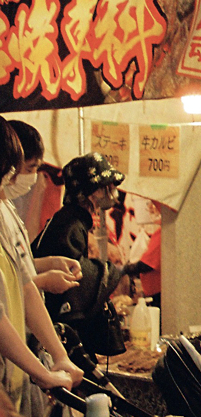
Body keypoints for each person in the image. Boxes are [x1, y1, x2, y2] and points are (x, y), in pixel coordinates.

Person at [0, 119, 76, 415]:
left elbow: (24, 283)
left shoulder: (5, 209)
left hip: (14, 377)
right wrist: (43, 373)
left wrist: (59, 356)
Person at [33, 153, 127, 357]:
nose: (112, 192)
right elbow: (73, 286)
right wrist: (108, 272)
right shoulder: (71, 225)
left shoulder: (71, 220)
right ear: (92, 191)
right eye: (107, 186)